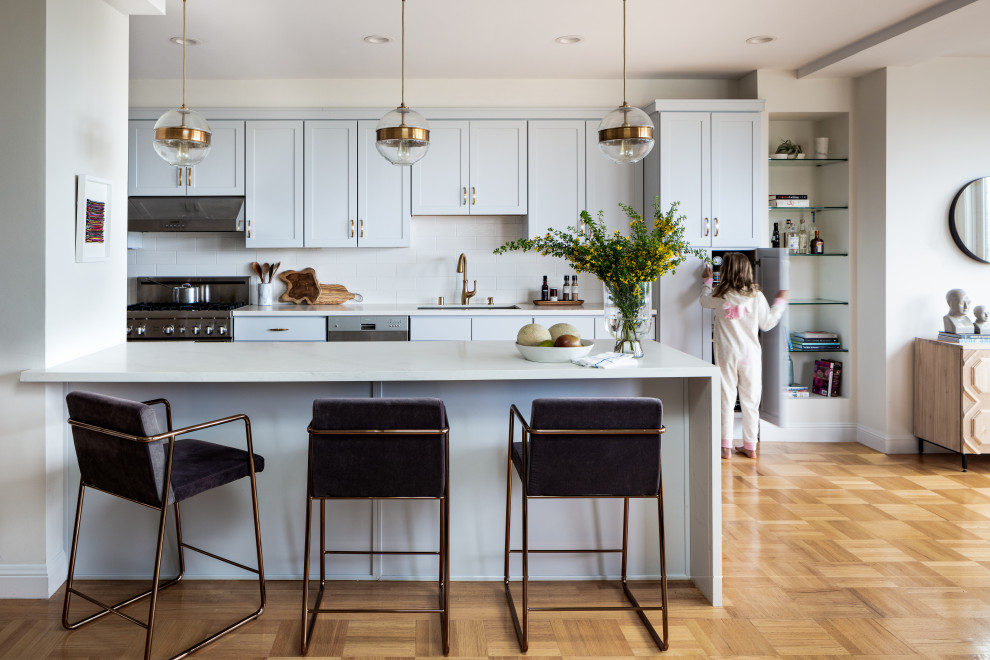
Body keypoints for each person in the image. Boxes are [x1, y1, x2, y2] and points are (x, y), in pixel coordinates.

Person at [701, 253, 788, 459]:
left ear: (725, 271)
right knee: (751, 400)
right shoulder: (756, 296)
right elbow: (767, 323)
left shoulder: (720, 294)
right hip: (750, 355)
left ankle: (725, 446)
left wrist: (706, 281)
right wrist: (780, 302)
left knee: (726, 398)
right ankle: (750, 446)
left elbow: (703, 302)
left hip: (727, 353)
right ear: (748, 270)